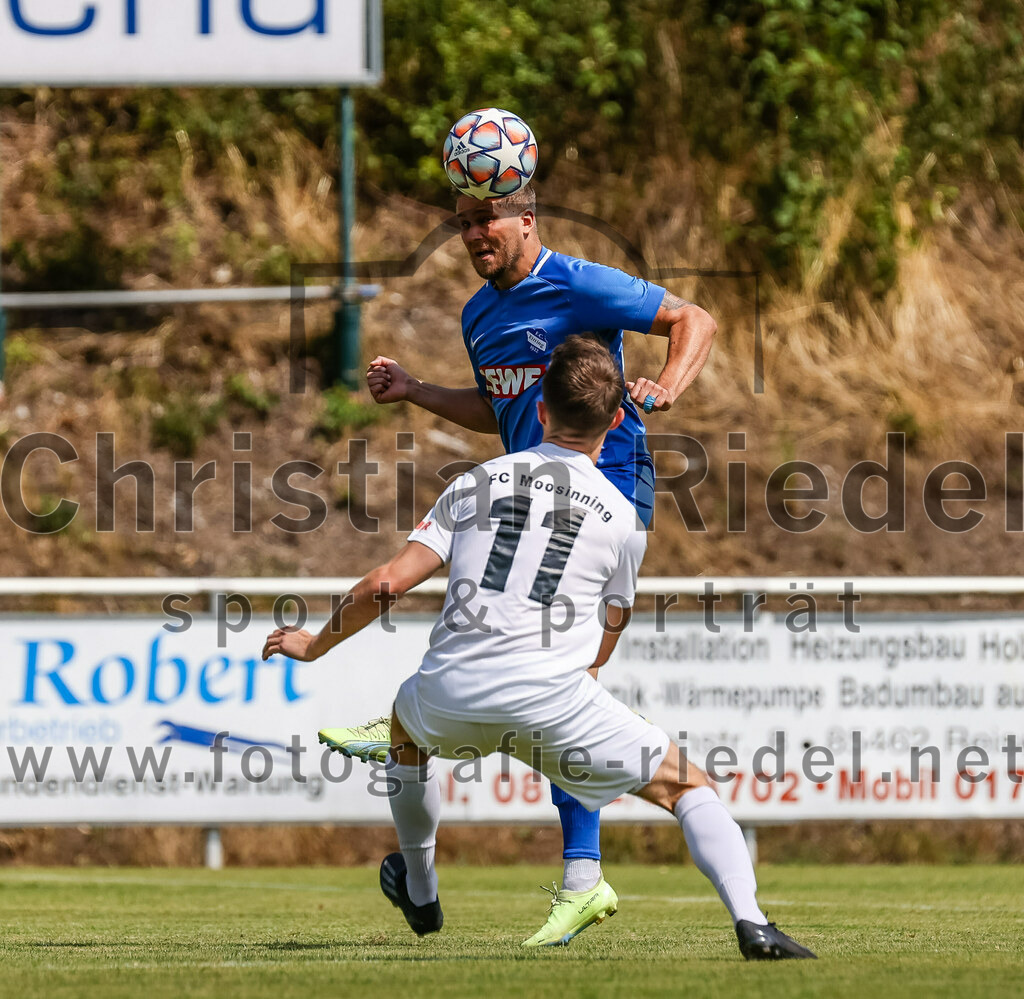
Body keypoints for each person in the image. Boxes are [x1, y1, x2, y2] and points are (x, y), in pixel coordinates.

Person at [265, 338, 815, 960]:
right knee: (686, 787)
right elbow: (615, 619)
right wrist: (588, 665)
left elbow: (386, 585)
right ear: (614, 421)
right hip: (554, 702)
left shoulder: (478, 480)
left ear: (541, 410)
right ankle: (752, 922)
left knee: (404, 734)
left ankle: (421, 889)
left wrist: (314, 646)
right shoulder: (620, 516)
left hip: (452, 692)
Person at [319, 182, 717, 945]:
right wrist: (415, 391)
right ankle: (573, 873)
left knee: (557, 682)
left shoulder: (580, 282)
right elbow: (501, 407)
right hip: (532, 488)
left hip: (607, 491)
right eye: (464, 223)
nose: (475, 234)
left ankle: (571, 867)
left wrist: (666, 384)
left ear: (525, 218)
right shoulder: (478, 314)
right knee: (543, 677)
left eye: (487, 219)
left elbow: (692, 318)